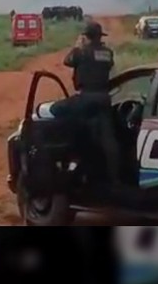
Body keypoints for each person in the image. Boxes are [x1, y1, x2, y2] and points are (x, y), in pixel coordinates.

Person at [50, 21, 120, 183]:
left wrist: (78, 46)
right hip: (104, 98)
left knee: (56, 110)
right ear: (99, 37)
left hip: (86, 97)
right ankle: (114, 178)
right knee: (109, 141)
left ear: (86, 37)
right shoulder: (107, 53)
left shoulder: (81, 52)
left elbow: (67, 61)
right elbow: (108, 65)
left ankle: (69, 156)